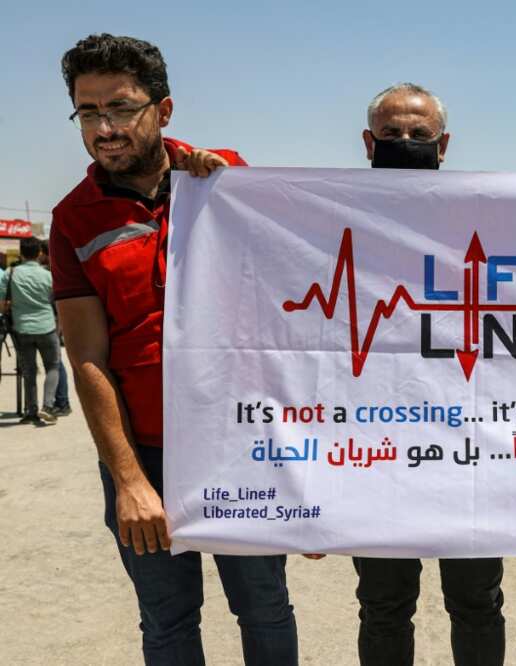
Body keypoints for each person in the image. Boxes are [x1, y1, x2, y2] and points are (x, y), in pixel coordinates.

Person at [48, 34, 298, 665]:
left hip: (240, 448)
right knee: (168, 622)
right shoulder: (73, 218)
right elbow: (87, 359)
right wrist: (128, 479)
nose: (105, 127)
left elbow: (294, 306)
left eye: (122, 107)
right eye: (87, 111)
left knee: (265, 609)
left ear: (163, 110)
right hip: (147, 455)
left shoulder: (228, 178)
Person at [308, 83, 505, 666]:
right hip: (377, 448)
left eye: (420, 135)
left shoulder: (488, 215)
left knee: (477, 602)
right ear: (367, 142)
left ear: (444, 146)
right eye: (392, 133)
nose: (406, 143)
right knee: (384, 605)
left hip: (469, 450)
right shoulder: (327, 219)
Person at [0, 236, 60, 424]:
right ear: (40, 253)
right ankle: (48, 406)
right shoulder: (48, 275)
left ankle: (31, 411)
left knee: (29, 370)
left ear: (21, 253)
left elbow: (2, 304)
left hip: (22, 329)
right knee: (52, 366)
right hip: (47, 326)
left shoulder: (10, 273)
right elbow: (56, 301)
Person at [38, 240, 72, 416]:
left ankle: (63, 402)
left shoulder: (54, 270)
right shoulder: (54, 269)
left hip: (55, 321)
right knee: (57, 364)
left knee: (56, 364)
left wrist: (59, 327)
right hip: (55, 320)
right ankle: (62, 401)